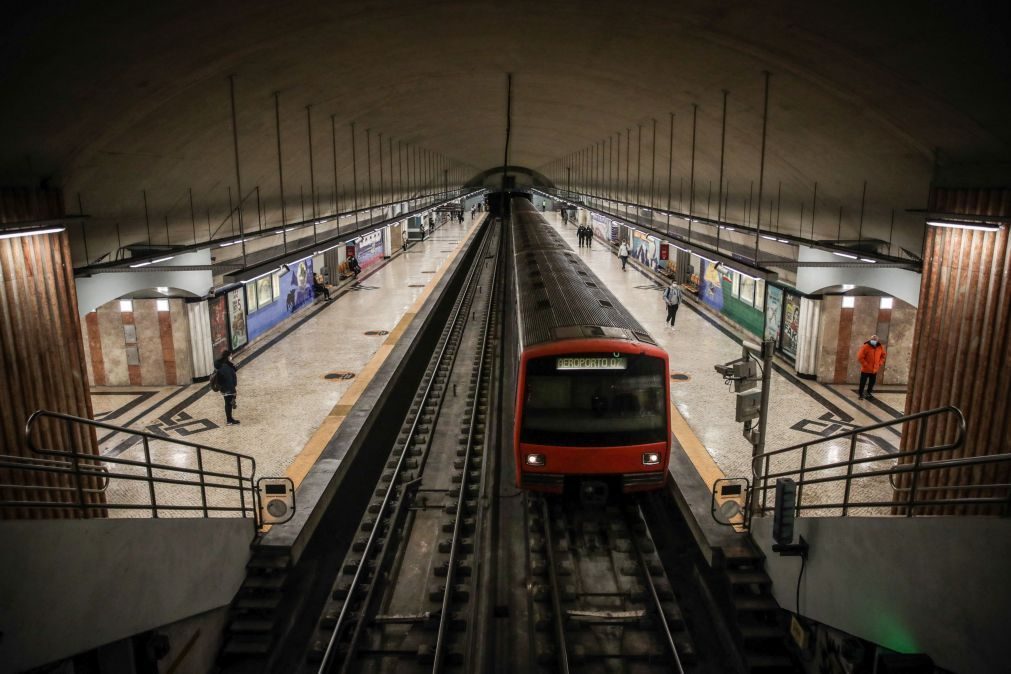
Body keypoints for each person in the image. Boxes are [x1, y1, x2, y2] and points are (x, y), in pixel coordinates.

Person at [856, 334, 887, 400]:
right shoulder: (865, 346)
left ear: (877, 340)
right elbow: (860, 357)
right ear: (870, 340)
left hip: (875, 369)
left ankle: (868, 393)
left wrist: (880, 363)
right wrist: (865, 364)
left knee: (872, 382)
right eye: (873, 339)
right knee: (863, 382)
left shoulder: (880, 347)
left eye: (875, 339)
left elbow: (883, 356)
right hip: (866, 369)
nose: (874, 340)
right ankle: (860, 394)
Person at [214, 350, 239, 425]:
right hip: (228, 388)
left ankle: (230, 418)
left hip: (224, 388)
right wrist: (233, 390)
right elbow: (229, 379)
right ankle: (229, 420)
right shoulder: (226, 366)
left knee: (228, 403)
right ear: (228, 356)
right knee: (228, 404)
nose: (231, 357)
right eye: (230, 356)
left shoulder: (223, 365)